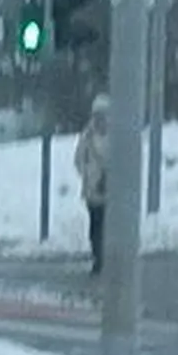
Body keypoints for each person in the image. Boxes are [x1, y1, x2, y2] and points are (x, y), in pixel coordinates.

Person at [74, 95, 110, 274]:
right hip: (93, 191)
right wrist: (88, 174)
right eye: (97, 115)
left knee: (108, 226)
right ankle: (98, 257)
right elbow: (78, 159)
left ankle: (108, 257)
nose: (100, 119)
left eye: (103, 115)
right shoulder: (87, 137)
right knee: (96, 225)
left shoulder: (117, 136)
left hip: (111, 190)